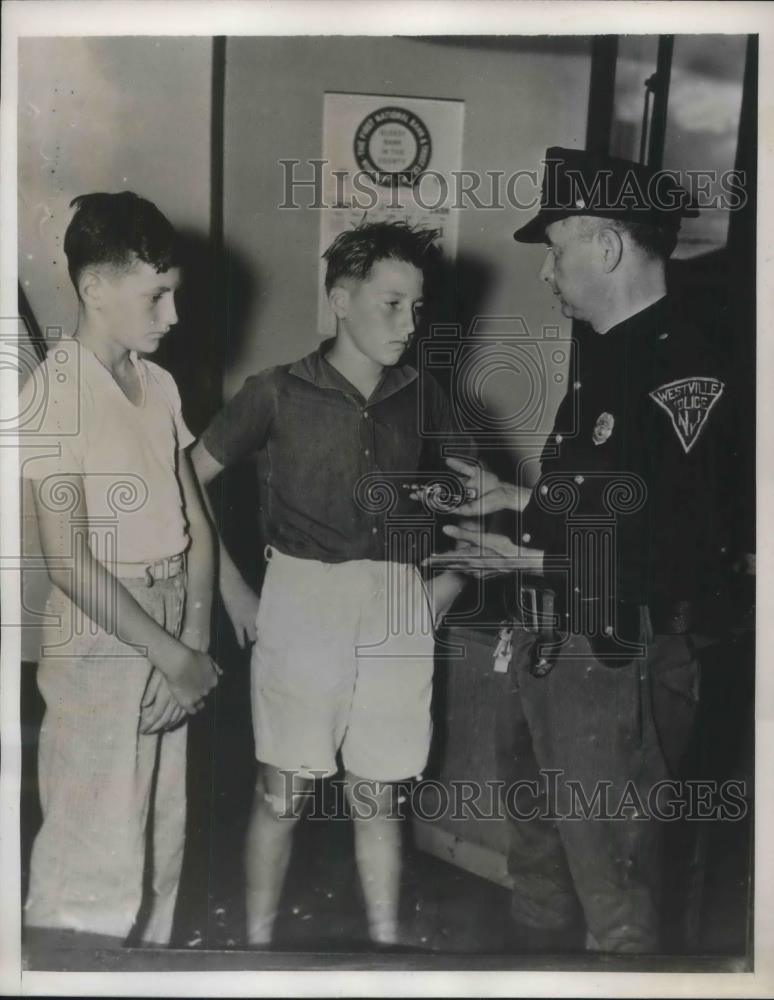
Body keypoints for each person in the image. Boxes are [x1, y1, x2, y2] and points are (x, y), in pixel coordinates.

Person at [441, 147, 733, 953]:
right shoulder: (604, 352)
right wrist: (516, 500)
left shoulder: (687, 368)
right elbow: (615, 496)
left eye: (556, 248)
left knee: (619, 900)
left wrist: (531, 562)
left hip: (616, 661)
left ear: (606, 247)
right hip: (555, 649)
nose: (546, 273)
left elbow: (672, 549)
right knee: (541, 869)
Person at [192, 221, 468, 947]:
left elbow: (480, 504)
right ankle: (254, 952)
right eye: (391, 303)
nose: (409, 324)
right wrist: (234, 592)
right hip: (303, 599)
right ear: (341, 300)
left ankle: (384, 951)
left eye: (417, 306)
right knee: (283, 792)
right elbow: (183, 485)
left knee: (378, 794)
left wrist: (449, 582)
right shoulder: (275, 393)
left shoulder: (429, 400)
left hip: (399, 603)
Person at [20, 192, 219, 947]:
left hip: (172, 623)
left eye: (175, 295)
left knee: (160, 843)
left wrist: (192, 645)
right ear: (95, 289)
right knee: (95, 848)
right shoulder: (54, 395)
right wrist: (167, 654)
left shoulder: (158, 384)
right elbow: (67, 560)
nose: (172, 315)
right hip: (106, 636)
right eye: (156, 296)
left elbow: (195, 520)